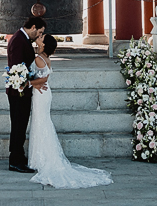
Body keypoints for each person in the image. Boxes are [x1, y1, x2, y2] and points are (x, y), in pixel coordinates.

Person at [28, 33, 113, 188]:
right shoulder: (43, 57)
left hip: (41, 93)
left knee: (41, 122)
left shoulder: (38, 59)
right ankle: (39, 158)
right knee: (41, 122)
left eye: (41, 37)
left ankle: (42, 159)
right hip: (44, 93)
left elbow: (43, 79)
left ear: (44, 44)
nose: (38, 37)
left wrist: (26, 82)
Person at [6, 16, 47, 173]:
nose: (39, 35)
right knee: (18, 126)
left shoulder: (21, 38)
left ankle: (19, 156)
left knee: (20, 125)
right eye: (39, 32)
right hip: (18, 92)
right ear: (34, 27)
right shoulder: (18, 40)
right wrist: (28, 83)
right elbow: (17, 67)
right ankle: (15, 160)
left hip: (22, 90)